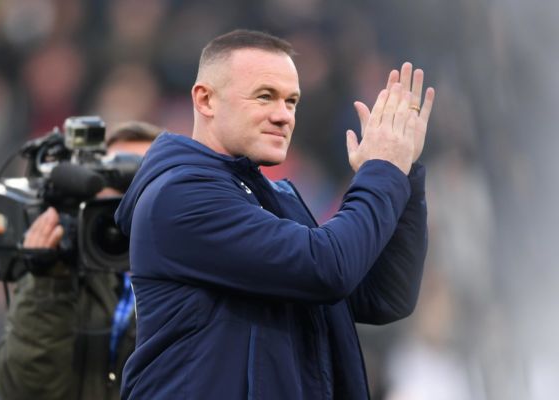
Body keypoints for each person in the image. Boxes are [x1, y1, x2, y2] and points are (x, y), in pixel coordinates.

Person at [115, 29, 435, 399]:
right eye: (265, 96)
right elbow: (327, 268)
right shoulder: (180, 195)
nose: (283, 116)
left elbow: (384, 295)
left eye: (291, 101)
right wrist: (383, 169)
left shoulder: (277, 199)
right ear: (205, 100)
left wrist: (403, 172)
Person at [0, 121, 162, 400]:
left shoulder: (192, 278)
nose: (128, 200)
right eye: (115, 179)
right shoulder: (63, 270)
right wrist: (48, 283)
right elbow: (26, 391)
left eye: (145, 180)